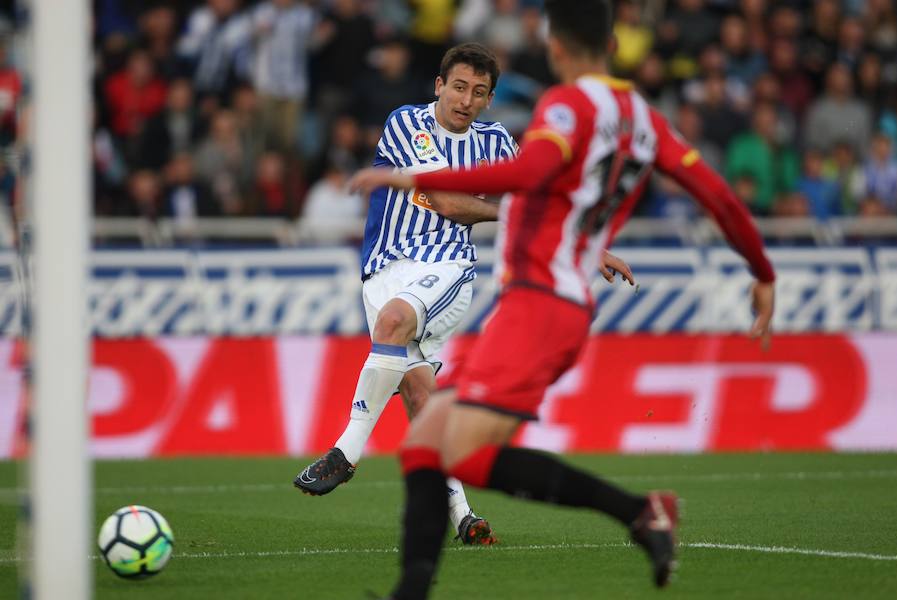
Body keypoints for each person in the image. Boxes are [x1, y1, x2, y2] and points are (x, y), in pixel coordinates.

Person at [349, 1, 776, 597]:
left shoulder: (567, 106)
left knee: (453, 451)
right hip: (552, 303)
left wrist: (416, 177)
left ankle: (639, 512)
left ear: (555, 47)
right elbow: (719, 197)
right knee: (425, 446)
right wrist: (762, 271)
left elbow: (531, 174)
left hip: (540, 304)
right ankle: (413, 591)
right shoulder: (644, 118)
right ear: (612, 46)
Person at [293, 43, 520, 546]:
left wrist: (592, 247)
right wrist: (508, 211)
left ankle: (346, 452)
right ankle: (463, 515)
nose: (466, 100)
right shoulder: (406, 123)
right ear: (439, 86)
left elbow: (540, 203)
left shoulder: (496, 142)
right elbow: (445, 199)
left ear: (489, 100)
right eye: (458, 87)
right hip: (382, 272)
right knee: (419, 396)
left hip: (446, 266)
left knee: (393, 322)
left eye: (478, 92)